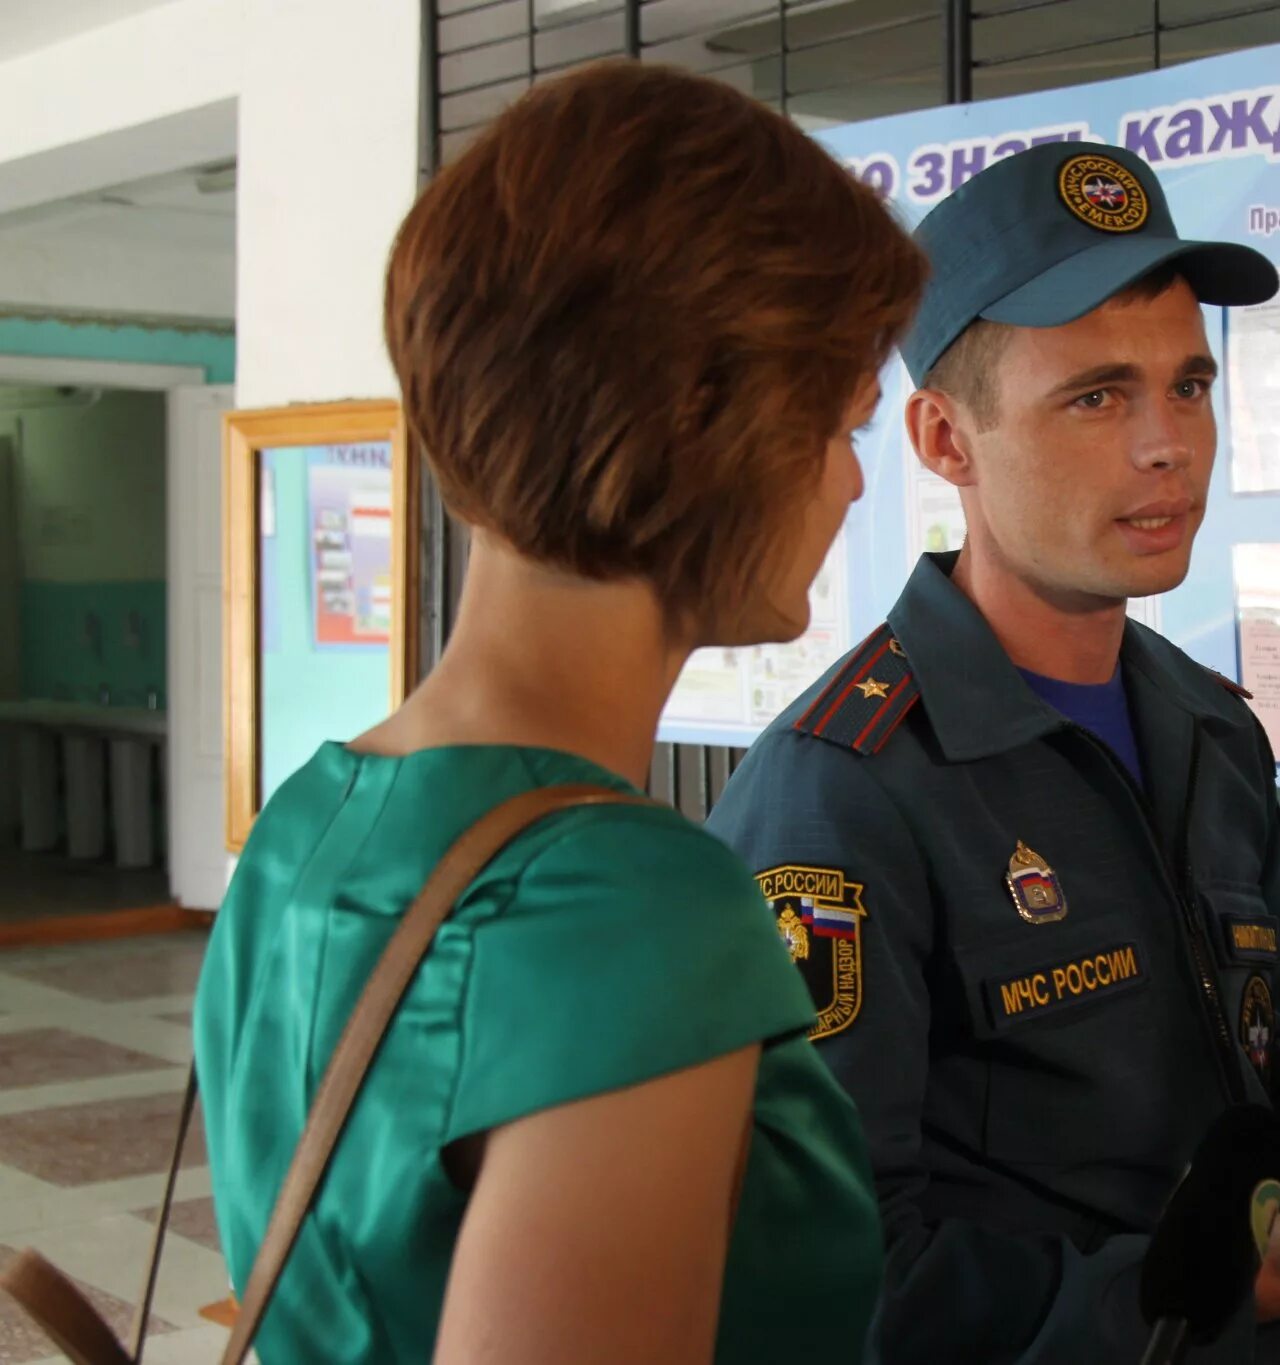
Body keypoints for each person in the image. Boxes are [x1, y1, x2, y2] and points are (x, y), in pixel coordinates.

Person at [708, 141, 1280, 1363]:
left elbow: (1229, 1107)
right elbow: (830, 1281)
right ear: (943, 439)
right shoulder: (844, 789)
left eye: (1187, 387)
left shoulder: (1210, 729)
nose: (1167, 445)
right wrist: (1214, 1289)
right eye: (1096, 396)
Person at [194, 63, 924, 1364]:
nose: (855, 483)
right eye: (842, 422)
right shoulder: (631, 904)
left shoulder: (309, 817)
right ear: (712, 413)